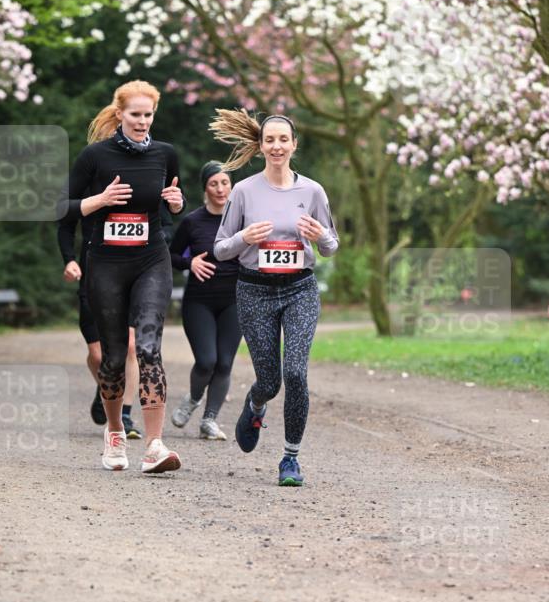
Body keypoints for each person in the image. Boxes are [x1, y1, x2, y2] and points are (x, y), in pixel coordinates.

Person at [58, 79, 184, 473]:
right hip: (106, 263)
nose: (142, 121)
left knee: (147, 347)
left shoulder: (166, 154)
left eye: (148, 115)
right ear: (120, 114)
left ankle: (155, 445)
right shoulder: (94, 156)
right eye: (135, 114)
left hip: (151, 259)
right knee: (113, 357)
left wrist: (177, 203)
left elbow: (172, 203)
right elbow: (61, 207)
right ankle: (114, 433)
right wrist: (100, 200)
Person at [212, 109, 339, 486]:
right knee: (270, 382)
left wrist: (320, 236)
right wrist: (244, 238)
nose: (277, 146)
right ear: (260, 146)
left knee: (295, 373)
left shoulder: (312, 191)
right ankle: (256, 404)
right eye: (270, 140)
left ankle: (290, 459)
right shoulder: (243, 191)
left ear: (294, 145)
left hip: (300, 289)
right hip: (254, 290)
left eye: (284, 139)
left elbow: (331, 246)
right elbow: (220, 249)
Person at [58, 202, 176, 439]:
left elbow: (167, 223)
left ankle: (124, 414)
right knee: (100, 356)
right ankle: (106, 384)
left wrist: (154, 241)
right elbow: (66, 223)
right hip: (96, 274)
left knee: (131, 346)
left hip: (136, 274)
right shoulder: (92, 184)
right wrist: (69, 259)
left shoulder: (144, 185)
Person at [169, 162, 242, 440]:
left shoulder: (243, 221)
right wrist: (190, 263)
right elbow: (171, 255)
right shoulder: (192, 222)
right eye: (214, 183)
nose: (220, 189)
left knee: (224, 363)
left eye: (225, 183)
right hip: (199, 300)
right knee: (206, 360)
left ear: (232, 187)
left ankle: (209, 420)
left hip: (234, 300)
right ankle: (193, 398)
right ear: (205, 188)